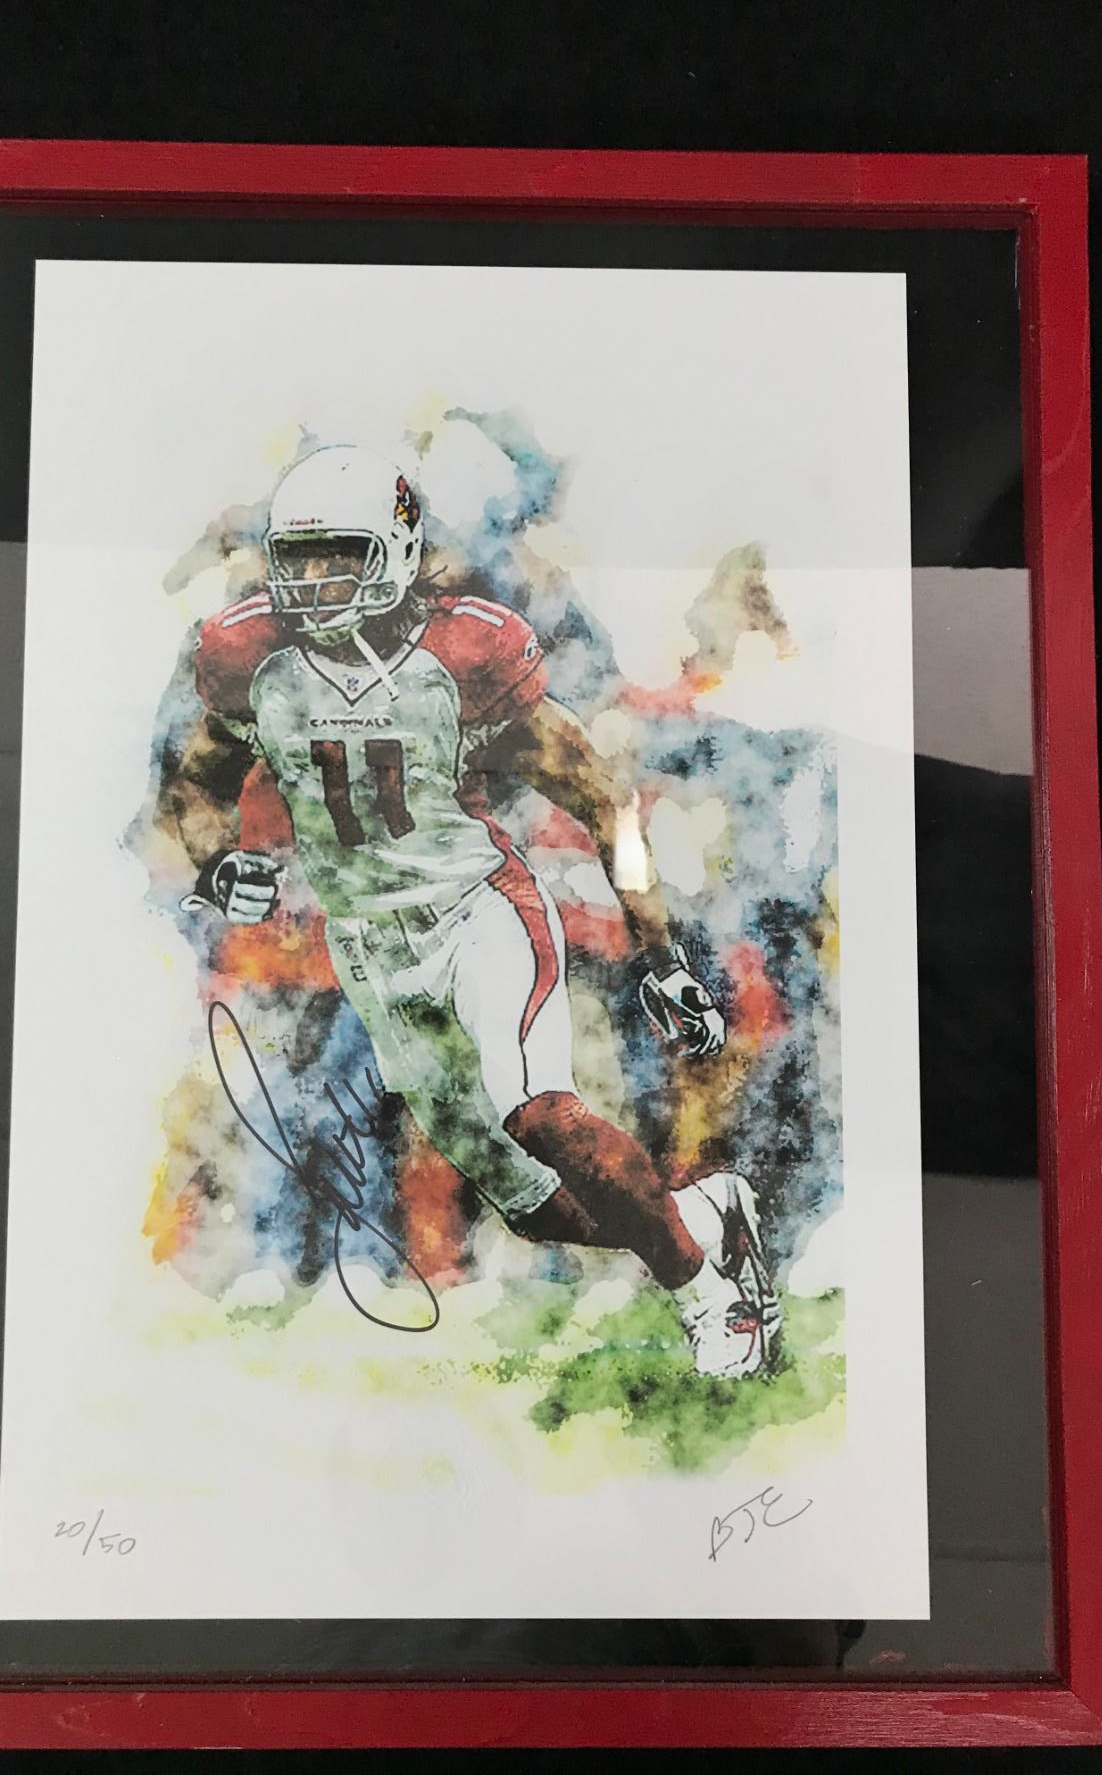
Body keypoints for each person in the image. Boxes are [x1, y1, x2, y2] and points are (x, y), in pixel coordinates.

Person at [156, 445, 779, 1377]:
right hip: (369, 945)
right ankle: (699, 1216)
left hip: (477, 910)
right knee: (530, 1205)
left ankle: (708, 1295)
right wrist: (217, 866)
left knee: (539, 1114)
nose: (315, 582)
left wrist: (661, 957)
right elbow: (195, 785)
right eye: (300, 557)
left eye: (341, 555)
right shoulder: (251, 659)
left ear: (397, 550)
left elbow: (602, 798)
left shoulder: (465, 656)